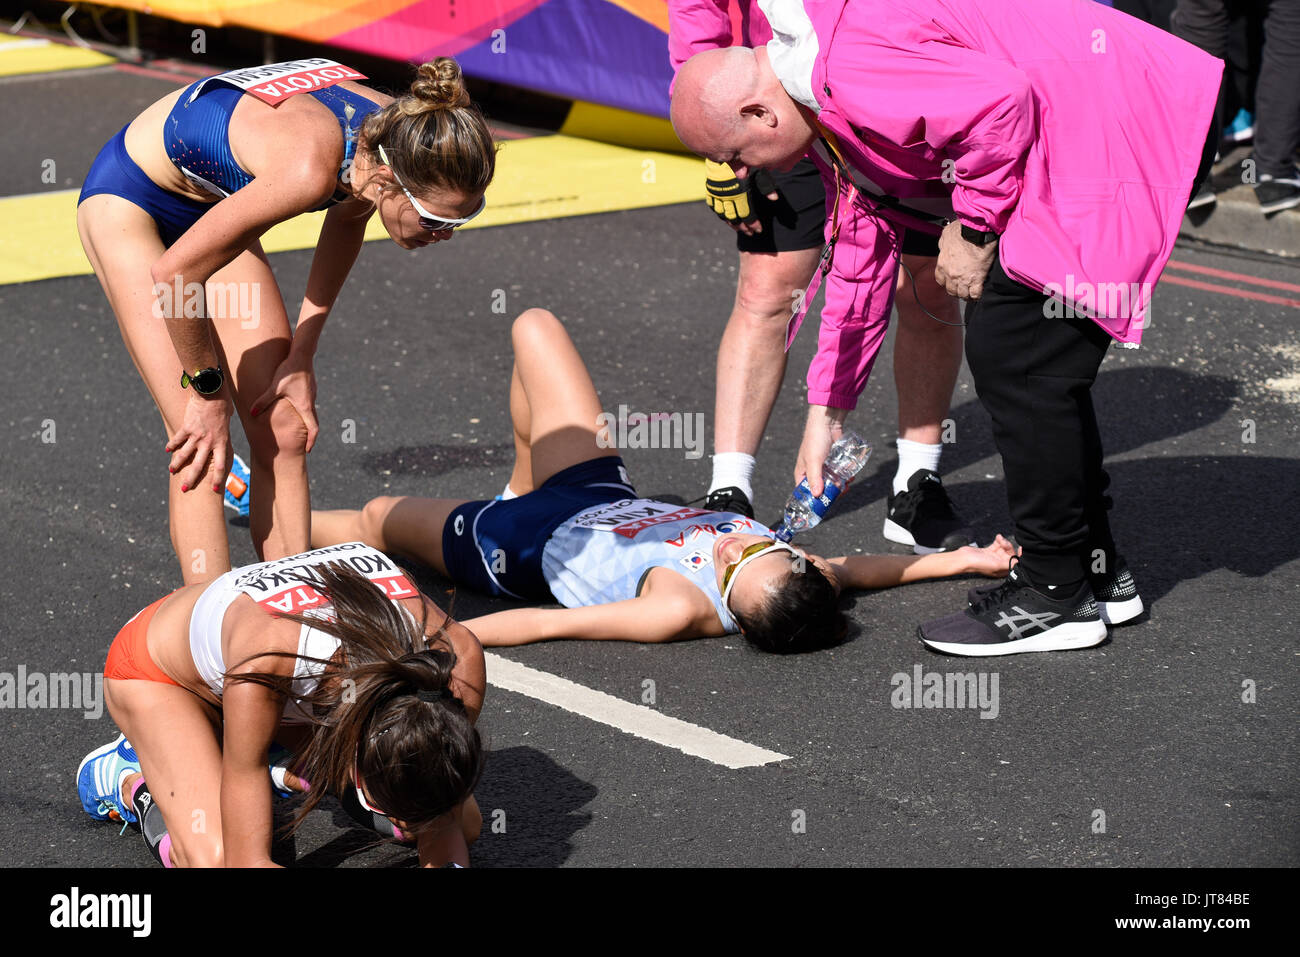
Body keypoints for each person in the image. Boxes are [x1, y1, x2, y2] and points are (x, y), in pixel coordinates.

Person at [669, 0, 1218, 654]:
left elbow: (1002, 101)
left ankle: (1055, 591)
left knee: (1018, 355)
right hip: (1093, 120)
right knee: (1031, 356)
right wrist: (828, 412)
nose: (750, 172)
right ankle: (1097, 575)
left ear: (759, 113)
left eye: (736, 154)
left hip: (1112, 119)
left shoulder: (842, 65)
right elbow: (858, 254)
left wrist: (977, 226)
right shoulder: (818, 94)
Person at [311, 309, 1021, 652]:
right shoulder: (797, 576)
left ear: (733, 614)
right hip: (594, 492)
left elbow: (552, 623)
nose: (728, 546)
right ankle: (521, 474)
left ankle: (266, 515)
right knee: (534, 328)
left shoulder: (675, 608)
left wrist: (444, 639)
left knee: (376, 518)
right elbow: (859, 568)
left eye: (731, 567)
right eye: (754, 547)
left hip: (517, 544)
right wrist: (960, 560)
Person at [77, 56, 495, 584]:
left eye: (464, 217)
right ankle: (211, 625)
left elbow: (348, 220)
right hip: (131, 202)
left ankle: (297, 612)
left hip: (212, 205)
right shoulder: (310, 168)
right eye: (437, 219)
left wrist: (302, 355)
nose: (446, 234)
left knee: (283, 424)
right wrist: (207, 394)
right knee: (199, 439)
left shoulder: (401, 135)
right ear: (391, 180)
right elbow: (177, 275)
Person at [668, 0, 973, 553]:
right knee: (766, 293)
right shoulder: (750, 122)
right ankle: (728, 491)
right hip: (772, 112)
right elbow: (696, 12)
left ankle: (916, 483)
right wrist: (722, 144)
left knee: (928, 287)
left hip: (880, 98)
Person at [75, 545, 486, 868]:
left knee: (461, 824)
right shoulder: (270, 657)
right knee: (214, 858)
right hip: (160, 672)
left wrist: (434, 834)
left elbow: (445, 818)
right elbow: (245, 862)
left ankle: (274, 755)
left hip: (283, 692)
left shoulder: (457, 662)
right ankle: (132, 779)